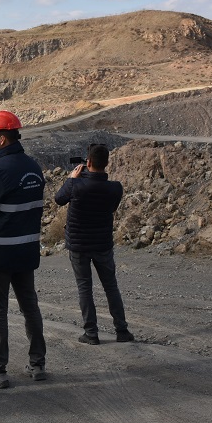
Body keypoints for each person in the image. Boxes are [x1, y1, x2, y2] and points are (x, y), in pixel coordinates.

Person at [0, 110, 48, 388]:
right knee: (30, 308)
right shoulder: (34, 168)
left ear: (2, 139)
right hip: (26, 252)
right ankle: (38, 364)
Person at [54, 144, 134, 345]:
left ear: (88, 162)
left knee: (85, 288)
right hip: (102, 244)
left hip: (79, 245)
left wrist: (71, 179)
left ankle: (91, 333)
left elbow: (59, 199)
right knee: (111, 286)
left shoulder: (75, 185)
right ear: (106, 163)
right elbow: (112, 208)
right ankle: (122, 331)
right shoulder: (115, 188)